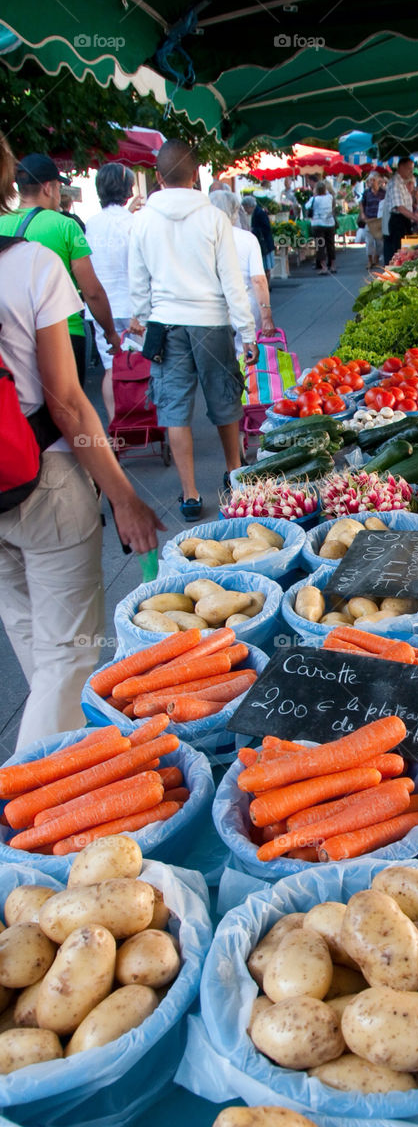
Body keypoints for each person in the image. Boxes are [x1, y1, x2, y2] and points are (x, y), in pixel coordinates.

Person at [0, 130, 162, 749]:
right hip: (43, 480)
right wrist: (123, 495)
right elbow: (67, 403)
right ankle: (31, 810)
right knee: (69, 660)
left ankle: (51, 783)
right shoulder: (30, 263)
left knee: (38, 652)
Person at [128, 139, 258, 521]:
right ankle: (235, 474)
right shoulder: (214, 218)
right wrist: (245, 331)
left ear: (157, 176)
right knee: (225, 402)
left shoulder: (143, 220)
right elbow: (232, 281)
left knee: (174, 411)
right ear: (197, 174)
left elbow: (139, 281)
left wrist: (142, 314)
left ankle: (189, 494)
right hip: (212, 322)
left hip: (166, 325)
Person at [0, 153, 121, 387]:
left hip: (14, 335)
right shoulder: (66, 226)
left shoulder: (2, 221)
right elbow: (92, 291)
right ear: (48, 188)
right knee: (68, 410)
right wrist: (110, 333)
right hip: (64, 333)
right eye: (58, 187)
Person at [85, 162, 139, 419]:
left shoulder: (89, 225)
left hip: (99, 308)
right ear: (127, 189)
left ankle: (117, 426)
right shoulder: (135, 223)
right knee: (141, 366)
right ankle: (143, 420)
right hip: (133, 308)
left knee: (110, 369)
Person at [209, 189, 276, 346]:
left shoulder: (203, 238)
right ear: (235, 211)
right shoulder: (247, 239)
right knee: (249, 356)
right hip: (246, 306)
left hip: (213, 310)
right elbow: (259, 280)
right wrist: (266, 316)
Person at [381, 158, 418, 264]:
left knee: (405, 254)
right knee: (397, 255)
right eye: (409, 169)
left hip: (403, 222)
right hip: (397, 223)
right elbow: (400, 208)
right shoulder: (395, 183)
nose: (411, 172)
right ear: (401, 168)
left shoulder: (402, 183)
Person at [305, 181, 337, 275]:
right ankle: (333, 265)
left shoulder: (314, 199)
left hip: (318, 224)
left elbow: (307, 206)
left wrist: (314, 195)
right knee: (331, 245)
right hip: (330, 223)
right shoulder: (330, 197)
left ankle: (324, 267)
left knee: (320, 246)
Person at [242, 194, 275, 280]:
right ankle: (267, 284)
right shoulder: (258, 212)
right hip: (265, 242)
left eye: (245, 208)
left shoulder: (259, 213)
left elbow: (266, 228)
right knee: (265, 266)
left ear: (248, 206)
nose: (245, 210)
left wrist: (253, 230)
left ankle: (267, 284)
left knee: (266, 266)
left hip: (265, 243)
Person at [360, 174, 384, 269]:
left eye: (373, 180)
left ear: (378, 181)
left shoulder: (383, 192)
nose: (372, 182)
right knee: (369, 242)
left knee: (380, 242)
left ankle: (376, 259)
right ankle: (370, 261)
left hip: (379, 221)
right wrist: (362, 214)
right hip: (369, 221)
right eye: (370, 180)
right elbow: (362, 204)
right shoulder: (366, 193)